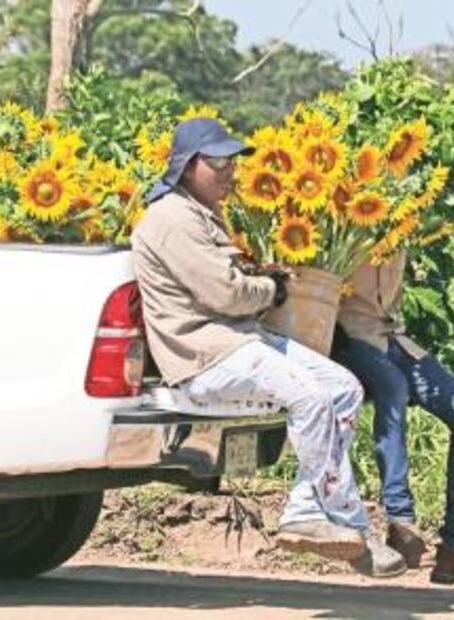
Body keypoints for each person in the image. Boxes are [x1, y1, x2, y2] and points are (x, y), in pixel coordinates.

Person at [130, 117, 405, 575]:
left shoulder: (200, 212)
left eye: (233, 161)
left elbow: (231, 285)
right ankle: (329, 520)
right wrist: (271, 290)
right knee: (312, 397)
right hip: (204, 355)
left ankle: (317, 509)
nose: (229, 171)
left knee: (344, 388)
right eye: (217, 160)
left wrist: (259, 281)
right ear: (185, 165)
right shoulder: (171, 218)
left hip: (240, 341)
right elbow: (226, 294)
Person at [332, 250, 454, 588]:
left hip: (392, 340)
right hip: (346, 340)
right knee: (393, 386)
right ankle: (401, 524)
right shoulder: (341, 207)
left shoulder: (404, 217)